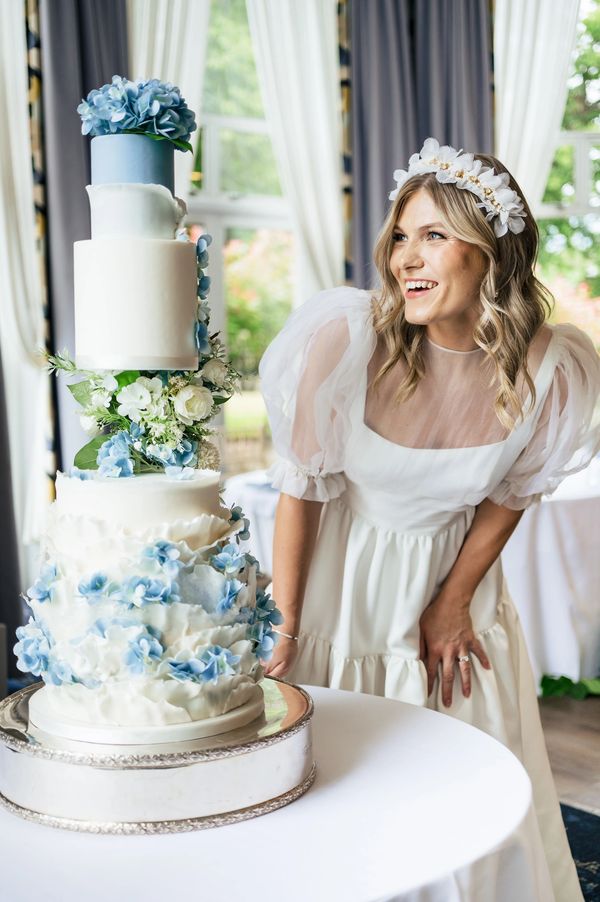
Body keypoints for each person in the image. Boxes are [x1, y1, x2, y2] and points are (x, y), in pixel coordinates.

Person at [259, 138, 600, 901]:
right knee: (344, 782)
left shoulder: (553, 368)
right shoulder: (345, 341)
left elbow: (511, 493)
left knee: (460, 780)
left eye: (434, 237)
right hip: (342, 589)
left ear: (491, 254)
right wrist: (285, 620)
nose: (406, 258)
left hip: (456, 587)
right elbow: (303, 490)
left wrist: (451, 602)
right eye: (401, 236)